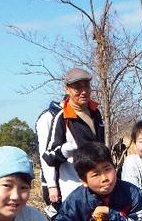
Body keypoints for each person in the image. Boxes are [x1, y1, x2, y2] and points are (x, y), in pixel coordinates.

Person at [42, 67, 106, 202]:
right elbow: (49, 156)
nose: (83, 92)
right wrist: (66, 150)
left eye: (87, 86)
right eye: (77, 87)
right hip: (73, 189)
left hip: (98, 185)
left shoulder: (96, 113)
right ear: (67, 89)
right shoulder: (62, 117)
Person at [35, 98, 66, 221]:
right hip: (53, 184)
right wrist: (52, 185)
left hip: (67, 182)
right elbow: (45, 154)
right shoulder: (48, 118)